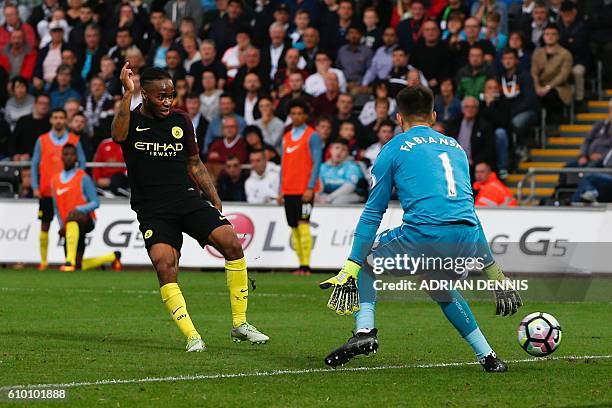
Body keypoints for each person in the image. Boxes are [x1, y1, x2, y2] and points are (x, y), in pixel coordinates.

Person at [319, 85, 522, 371]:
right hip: (463, 238)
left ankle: (364, 332)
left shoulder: (392, 148)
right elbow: (469, 213)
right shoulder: (457, 149)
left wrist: (350, 266)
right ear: (433, 116)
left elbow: (372, 212)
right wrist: (495, 275)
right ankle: (488, 356)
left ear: (399, 118)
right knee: (437, 284)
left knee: (367, 261)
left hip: (425, 234)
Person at [111, 63, 269, 352]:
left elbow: (194, 163)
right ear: (144, 95)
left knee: (232, 244)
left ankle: (240, 324)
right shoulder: (131, 120)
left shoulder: (181, 121)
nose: (168, 101)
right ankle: (192, 336)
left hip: (186, 199)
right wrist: (127, 93)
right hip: (153, 209)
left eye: (171, 95)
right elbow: (118, 136)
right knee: (165, 265)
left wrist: (214, 196)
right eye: (161, 96)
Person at [52, 143, 122, 272]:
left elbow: (96, 202)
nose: (69, 157)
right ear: (61, 156)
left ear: (76, 158)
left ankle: (69, 262)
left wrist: (80, 209)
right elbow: (56, 208)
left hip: (86, 220)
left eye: (72, 154)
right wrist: (62, 225)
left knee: (74, 217)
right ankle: (113, 257)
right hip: (69, 226)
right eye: (66, 154)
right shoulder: (55, 180)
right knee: (79, 265)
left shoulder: (83, 177)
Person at [31, 108, 86, 271]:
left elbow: (82, 163)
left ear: (66, 120)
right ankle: (44, 261)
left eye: (61, 117)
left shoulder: (74, 140)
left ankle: (70, 260)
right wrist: (34, 186)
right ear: (51, 120)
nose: (58, 120)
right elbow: (34, 165)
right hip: (47, 191)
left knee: (71, 225)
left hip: (68, 192)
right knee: (45, 225)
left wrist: (77, 183)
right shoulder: (42, 140)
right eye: (55, 117)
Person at [278, 98, 322, 275]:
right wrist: (280, 190)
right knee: (294, 227)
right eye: (293, 113)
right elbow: (283, 164)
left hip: (304, 190)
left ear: (305, 115)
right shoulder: (287, 137)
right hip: (289, 189)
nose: (296, 117)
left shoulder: (312, 136)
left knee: (303, 224)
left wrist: (310, 187)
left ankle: (306, 266)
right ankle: (300, 265)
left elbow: (317, 162)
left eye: (299, 113)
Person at [530, 24, 573, 126]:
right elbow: (534, 72)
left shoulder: (565, 54)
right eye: (547, 34)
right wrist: (537, 86)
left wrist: (548, 87)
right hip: (539, 87)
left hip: (558, 88)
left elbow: (563, 75)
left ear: (558, 37)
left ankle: (553, 125)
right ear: (543, 36)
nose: (550, 37)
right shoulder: (537, 53)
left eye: (553, 34)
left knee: (551, 96)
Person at [317, 139, 364, 204]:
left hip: (352, 194)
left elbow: (350, 187)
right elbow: (319, 187)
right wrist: (317, 196)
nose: (339, 151)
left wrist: (329, 197)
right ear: (331, 150)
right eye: (337, 148)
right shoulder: (322, 167)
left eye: (343, 149)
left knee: (338, 201)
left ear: (347, 153)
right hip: (328, 195)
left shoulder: (352, 166)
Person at [9, 94, 51, 161]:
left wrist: (30, 155)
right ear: (35, 104)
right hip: (20, 159)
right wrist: (14, 155)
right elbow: (13, 141)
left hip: (42, 159)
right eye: (41, 103)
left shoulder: (51, 122)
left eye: (46, 104)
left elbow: (48, 146)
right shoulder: (23, 120)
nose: (44, 106)